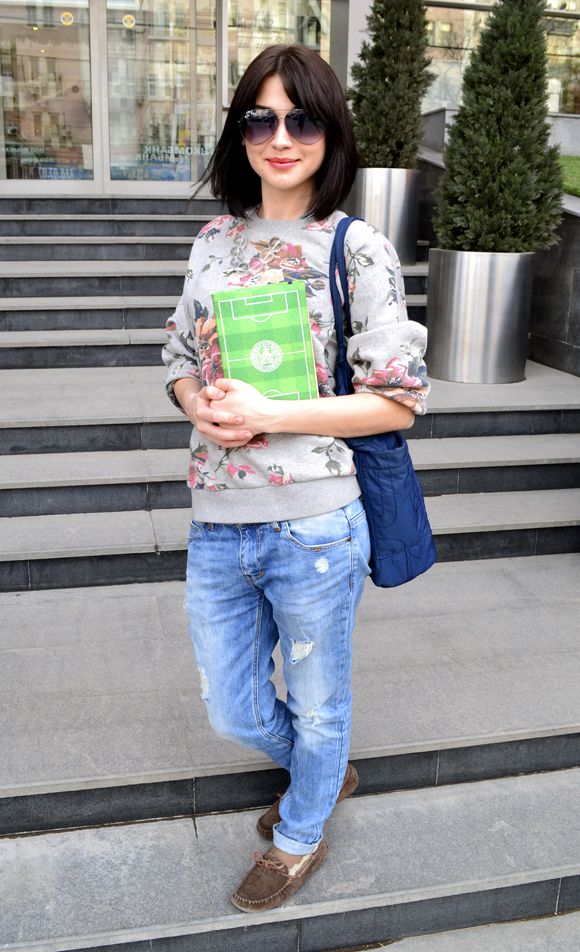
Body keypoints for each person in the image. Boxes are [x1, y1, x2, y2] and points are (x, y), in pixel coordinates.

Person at [162, 43, 429, 913]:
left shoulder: (356, 248)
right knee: (233, 710)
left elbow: (397, 402)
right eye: (262, 119)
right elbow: (178, 356)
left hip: (315, 525)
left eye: (302, 120)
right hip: (218, 518)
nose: (281, 138)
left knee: (318, 703)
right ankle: (324, 768)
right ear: (240, 133)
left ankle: (300, 833)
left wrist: (272, 411)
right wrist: (197, 402)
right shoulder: (214, 241)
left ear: (331, 134)